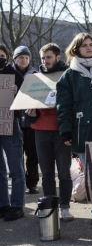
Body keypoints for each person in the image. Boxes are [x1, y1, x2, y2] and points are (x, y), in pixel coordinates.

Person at [56, 33, 92, 225]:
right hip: (83, 131)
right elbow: (63, 106)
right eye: (84, 46)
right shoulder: (69, 75)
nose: (89, 48)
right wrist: (65, 130)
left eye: (91, 44)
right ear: (76, 50)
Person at [24, 44, 74, 221]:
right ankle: (51, 207)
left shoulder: (67, 76)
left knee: (64, 172)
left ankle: (65, 207)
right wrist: (30, 114)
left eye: (49, 57)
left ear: (58, 57)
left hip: (61, 131)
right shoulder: (35, 78)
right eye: (43, 58)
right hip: (40, 132)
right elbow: (27, 106)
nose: (45, 61)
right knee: (46, 174)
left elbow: (72, 103)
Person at [0, 44, 26, 221]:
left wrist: (16, 94)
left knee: (15, 167)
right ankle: (3, 204)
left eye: (2, 55)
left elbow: (25, 102)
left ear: (7, 57)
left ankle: (17, 205)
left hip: (10, 124)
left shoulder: (15, 75)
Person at [13, 46, 40, 195]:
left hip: (31, 121)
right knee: (17, 155)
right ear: (15, 59)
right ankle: (20, 182)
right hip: (14, 119)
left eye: (26, 58)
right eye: (21, 57)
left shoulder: (35, 74)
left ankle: (32, 183)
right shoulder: (8, 73)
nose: (23, 60)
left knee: (32, 153)